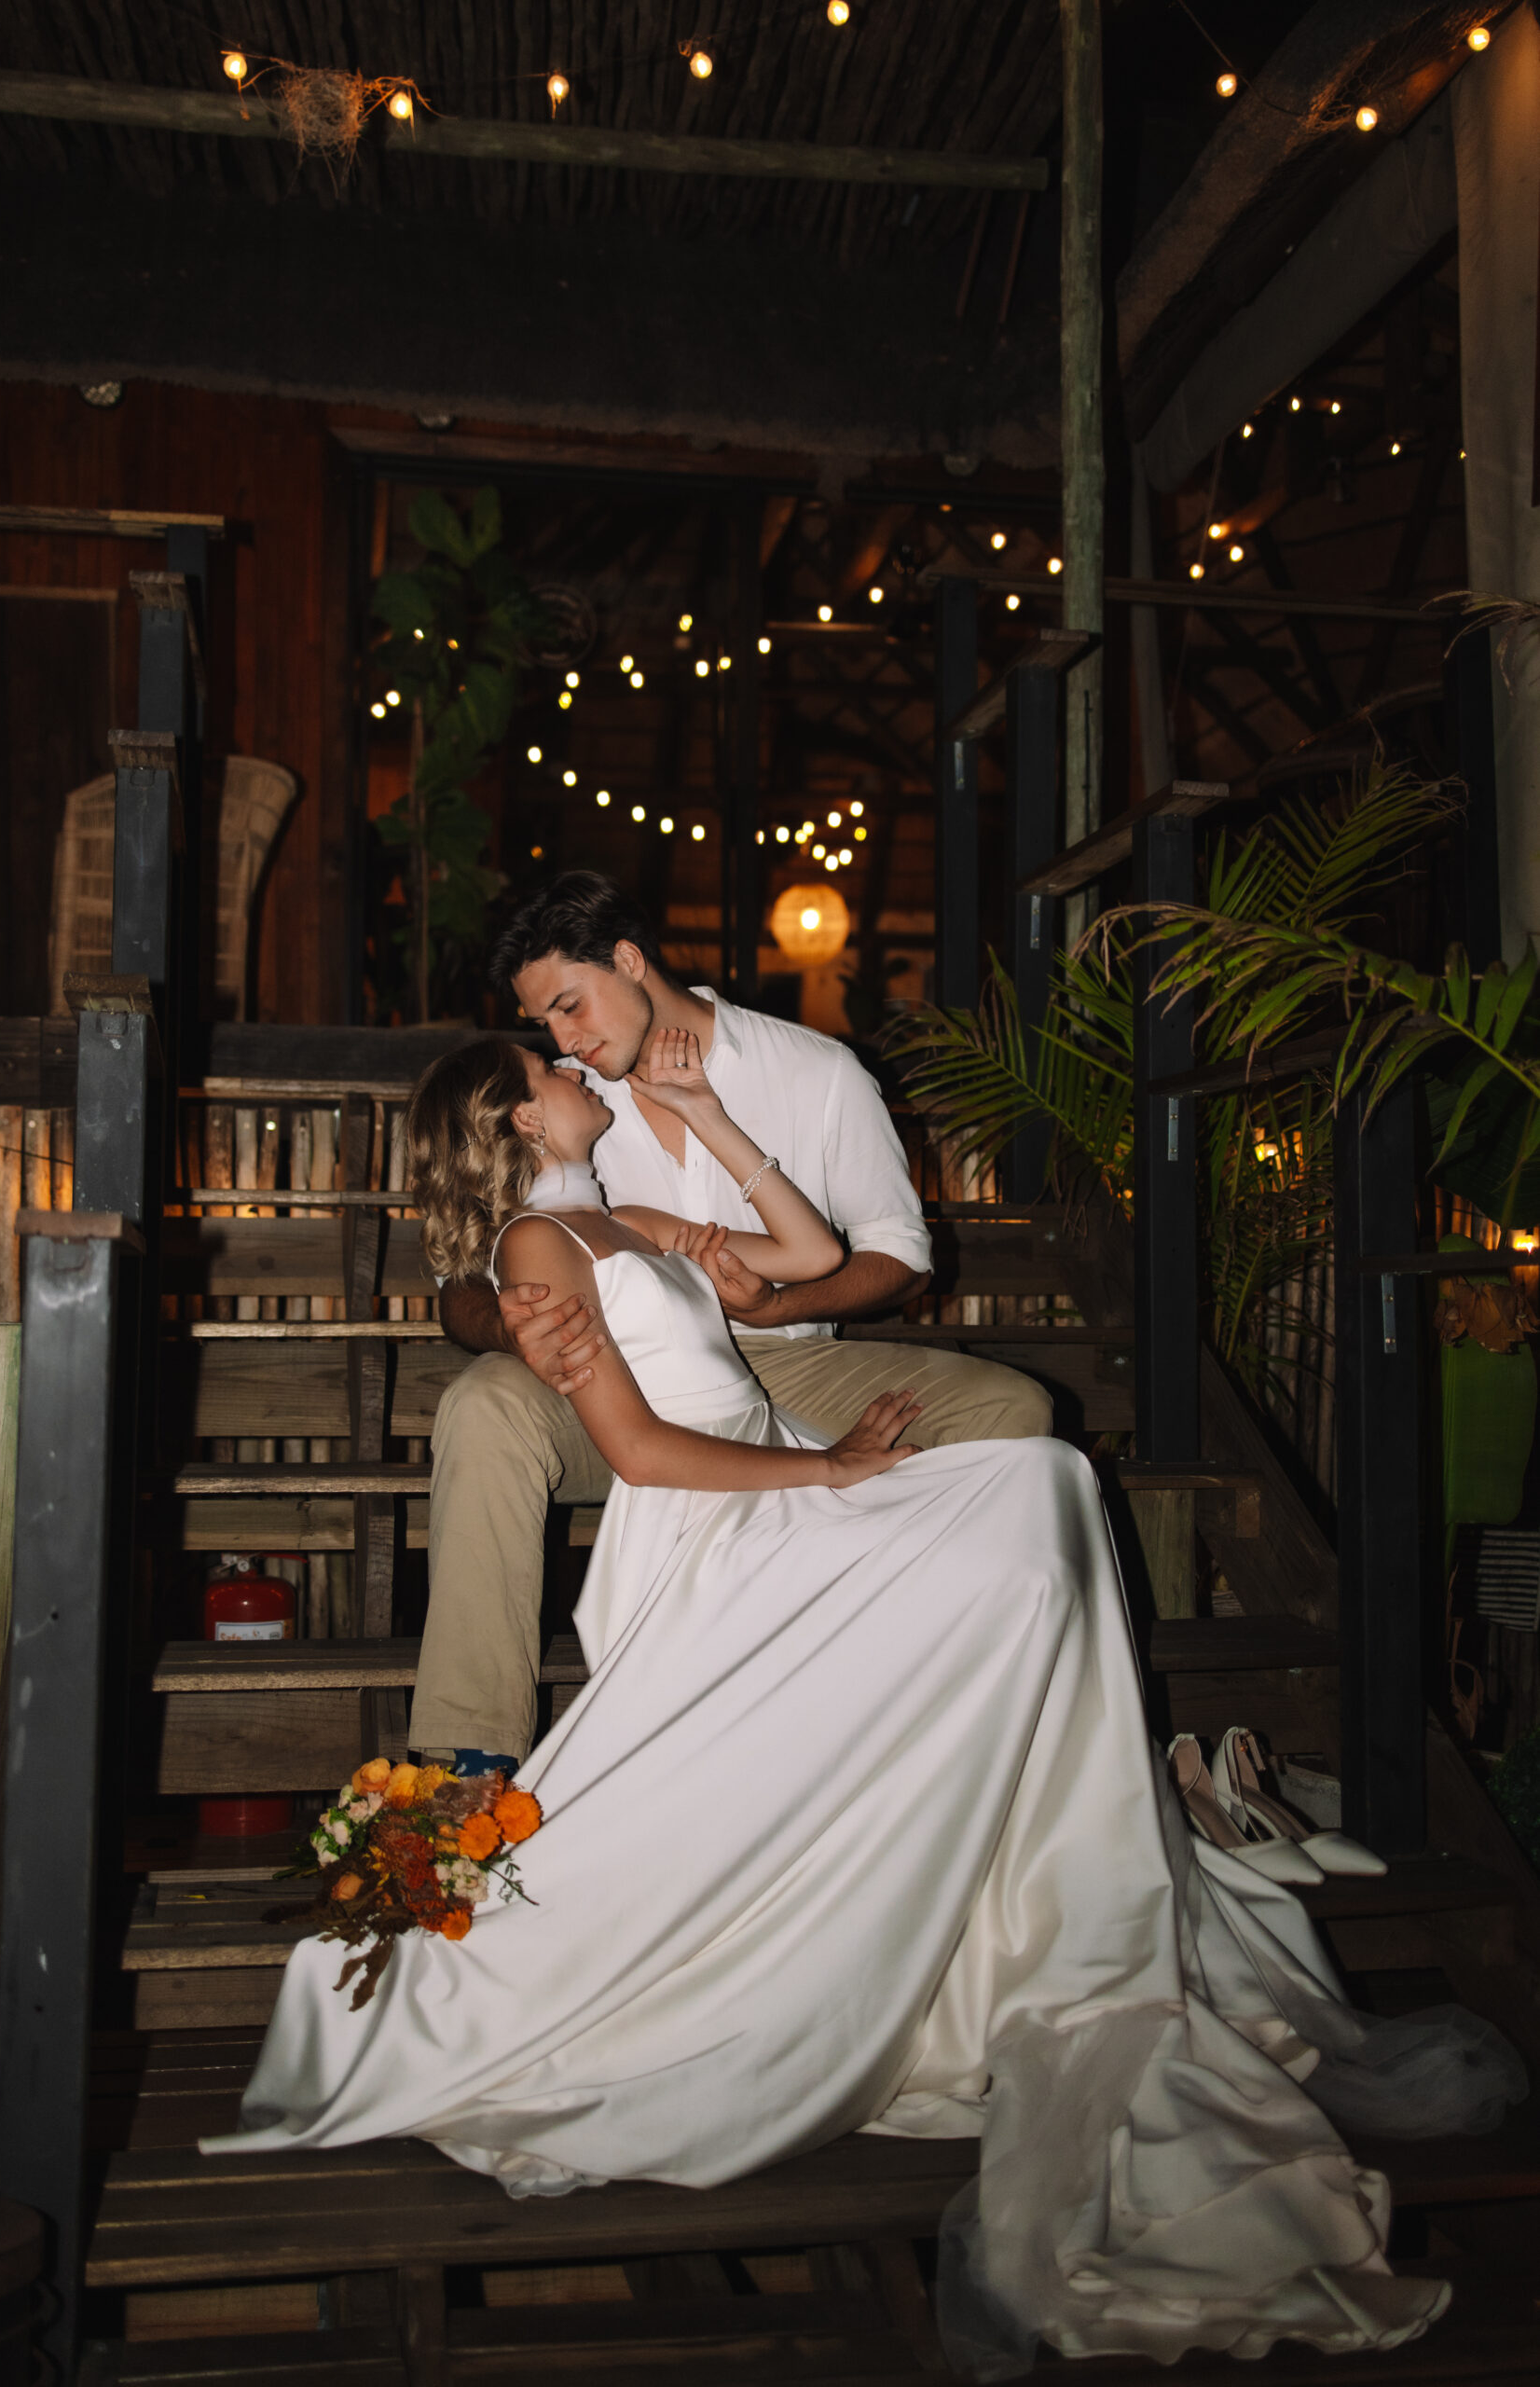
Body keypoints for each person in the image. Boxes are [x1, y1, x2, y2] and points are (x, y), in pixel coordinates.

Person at [207, 1031, 1520, 2373]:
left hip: (782, 1475)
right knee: (1030, 1503)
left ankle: (1032, 1850)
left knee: (1042, 1487)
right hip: (715, 1525)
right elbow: (641, 1450)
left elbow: (796, 1249)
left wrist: (706, 1113)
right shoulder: (539, 1258)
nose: (572, 1070)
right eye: (543, 1072)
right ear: (510, 1119)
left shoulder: (621, 1216)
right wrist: (830, 1476)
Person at [411, 872, 1052, 1776]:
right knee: (483, 1405)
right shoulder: (569, 1107)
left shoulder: (817, 1073)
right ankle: (465, 1764)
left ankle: (970, 1735)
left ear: (629, 962)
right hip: (614, 1373)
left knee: (1012, 1412)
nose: (566, 1042)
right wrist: (508, 1321)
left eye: (569, 1007)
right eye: (546, 1028)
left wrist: (778, 1303)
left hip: (783, 1359)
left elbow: (899, 1257)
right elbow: (454, 1283)